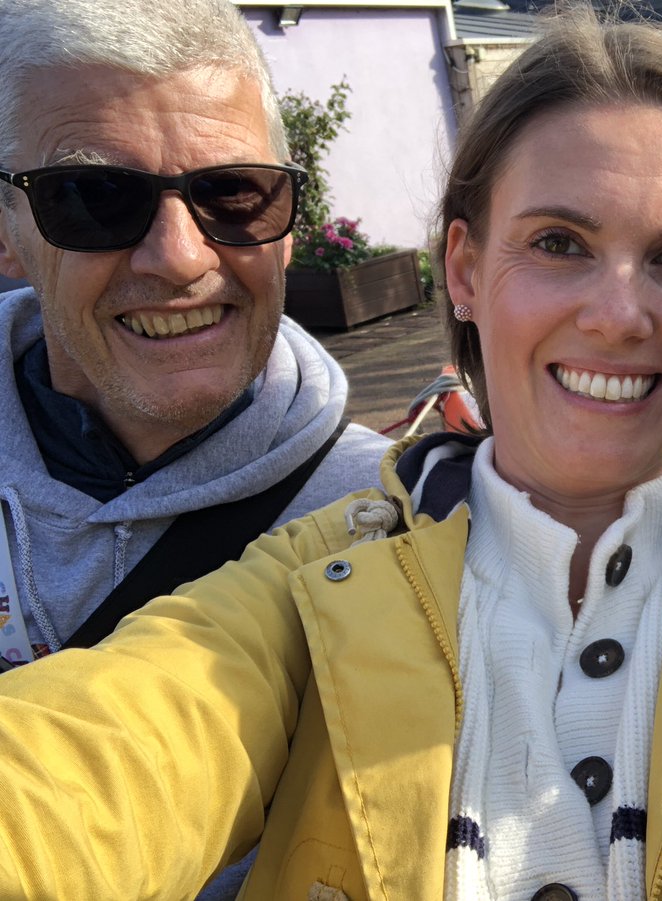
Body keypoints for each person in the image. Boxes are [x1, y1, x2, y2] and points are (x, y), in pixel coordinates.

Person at [0, 8, 662, 899]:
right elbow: (103, 754)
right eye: (559, 243)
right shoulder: (308, 583)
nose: (619, 314)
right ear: (463, 269)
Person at [0, 0, 392, 896]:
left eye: (233, 194)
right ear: (6, 231)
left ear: (288, 223)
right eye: (95, 199)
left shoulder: (392, 522)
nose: (178, 258)